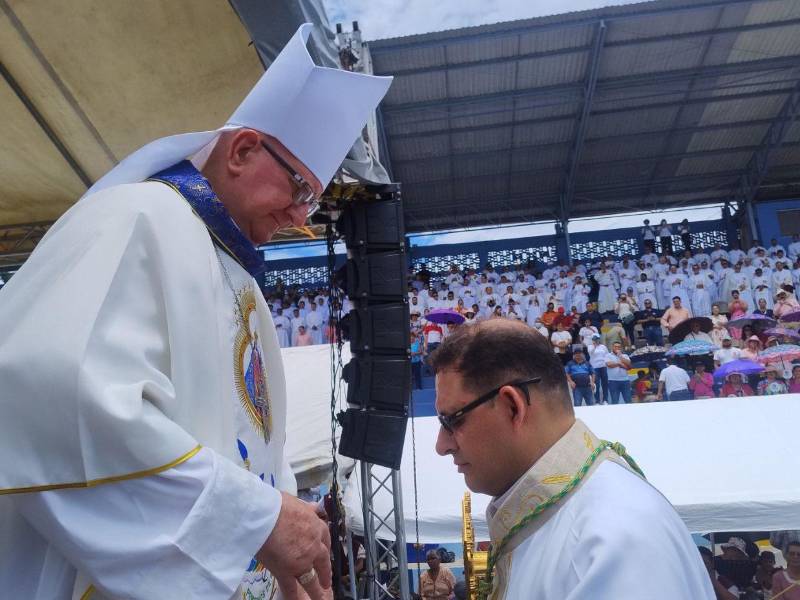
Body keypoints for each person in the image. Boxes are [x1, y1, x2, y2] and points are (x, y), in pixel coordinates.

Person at [0, 23, 392, 600]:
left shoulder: (242, 281)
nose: (299, 216)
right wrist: (256, 518)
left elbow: (258, 452)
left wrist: (285, 533)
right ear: (242, 150)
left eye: (311, 201)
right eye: (298, 189)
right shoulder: (136, 216)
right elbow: (51, 395)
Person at [429, 319, 713, 599]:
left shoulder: (611, 536)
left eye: (452, 420)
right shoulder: (582, 520)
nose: (441, 446)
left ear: (513, 407)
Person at [587, 334, 611, 405]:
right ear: (592, 339)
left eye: (597, 339)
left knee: (605, 384)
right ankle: (597, 401)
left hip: (603, 366)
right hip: (595, 367)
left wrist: (606, 363)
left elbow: (607, 355)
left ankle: (605, 400)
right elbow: (591, 353)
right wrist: (594, 346)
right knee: (596, 384)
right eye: (594, 339)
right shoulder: (590, 346)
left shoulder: (603, 346)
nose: (596, 340)